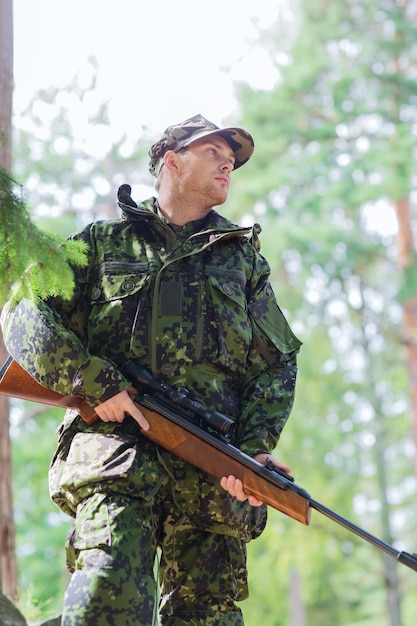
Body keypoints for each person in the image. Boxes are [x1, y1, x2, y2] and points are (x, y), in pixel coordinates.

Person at [1, 113, 301, 625]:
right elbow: (25, 311)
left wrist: (252, 451)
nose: (228, 164)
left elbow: (278, 363)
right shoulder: (101, 243)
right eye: (214, 153)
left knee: (207, 617)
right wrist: (93, 382)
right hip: (116, 458)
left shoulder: (243, 263)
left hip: (211, 475)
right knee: (106, 601)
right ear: (172, 160)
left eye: (233, 160)